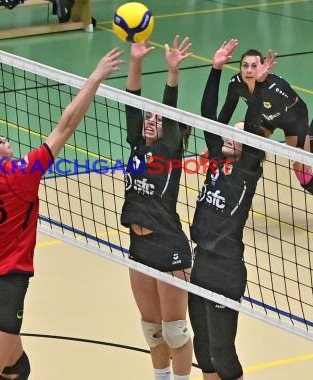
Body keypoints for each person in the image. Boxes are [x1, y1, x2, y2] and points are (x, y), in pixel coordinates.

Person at [0, 48, 123, 380]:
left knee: (17, 369)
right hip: (1, 290)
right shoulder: (20, 175)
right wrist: (95, 78)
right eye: (1, 141)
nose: (8, 142)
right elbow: (66, 125)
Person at [189, 39, 272, 380]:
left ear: (249, 145)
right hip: (200, 262)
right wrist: (216, 68)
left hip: (225, 269)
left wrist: (259, 87)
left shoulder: (247, 170)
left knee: (223, 353)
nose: (229, 136)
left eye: (238, 135)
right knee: (203, 350)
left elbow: (254, 122)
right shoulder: (215, 162)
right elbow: (208, 114)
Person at [121, 36, 193, 380]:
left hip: (168, 245)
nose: (151, 120)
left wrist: (172, 73)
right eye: (150, 118)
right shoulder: (137, 143)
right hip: (138, 246)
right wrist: (136, 61)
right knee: (151, 331)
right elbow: (131, 102)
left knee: (174, 330)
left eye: (158, 119)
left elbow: (170, 106)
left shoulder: (169, 152)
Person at [214, 48, 313, 230]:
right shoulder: (236, 83)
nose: (249, 70)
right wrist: (212, 142)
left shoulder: (277, 87)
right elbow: (225, 114)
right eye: (245, 66)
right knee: (238, 136)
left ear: (262, 67)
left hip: (293, 122)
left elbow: (301, 112)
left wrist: (300, 146)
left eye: (254, 66)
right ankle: (234, 198)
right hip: (262, 119)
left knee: (302, 173)